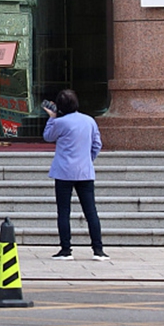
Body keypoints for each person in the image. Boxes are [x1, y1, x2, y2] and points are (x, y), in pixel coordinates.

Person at [43, 88, 108, 261]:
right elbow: (97, 144)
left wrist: (51, 117)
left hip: (64, 172)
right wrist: (88, 159)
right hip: (85, 171)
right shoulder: (89, 121)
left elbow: (48, 137)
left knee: (63, 211)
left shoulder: (60, 122)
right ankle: (98, 250)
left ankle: (66, 250)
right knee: (91, 211)